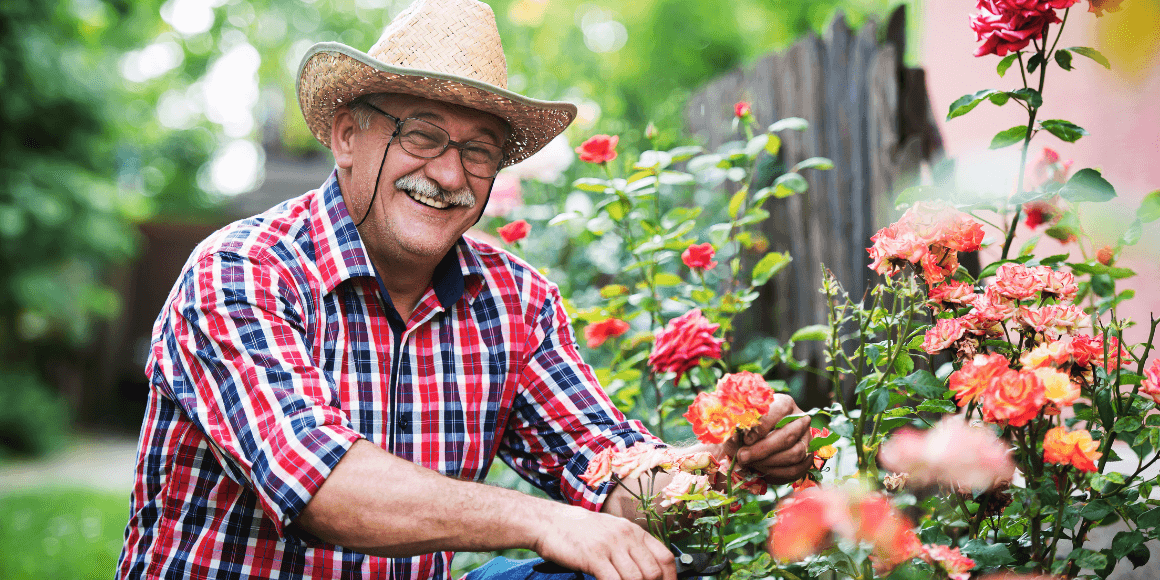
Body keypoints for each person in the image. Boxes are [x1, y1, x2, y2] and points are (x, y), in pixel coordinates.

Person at [117, 0, 813, 579]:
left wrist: (727, 463)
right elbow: (320, 488)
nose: (449, 175)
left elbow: (604, 465)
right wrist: (543, 521)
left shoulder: (515, 300)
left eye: (477, 150)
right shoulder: (243, 270)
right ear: (346, 137)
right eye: (421, 135)